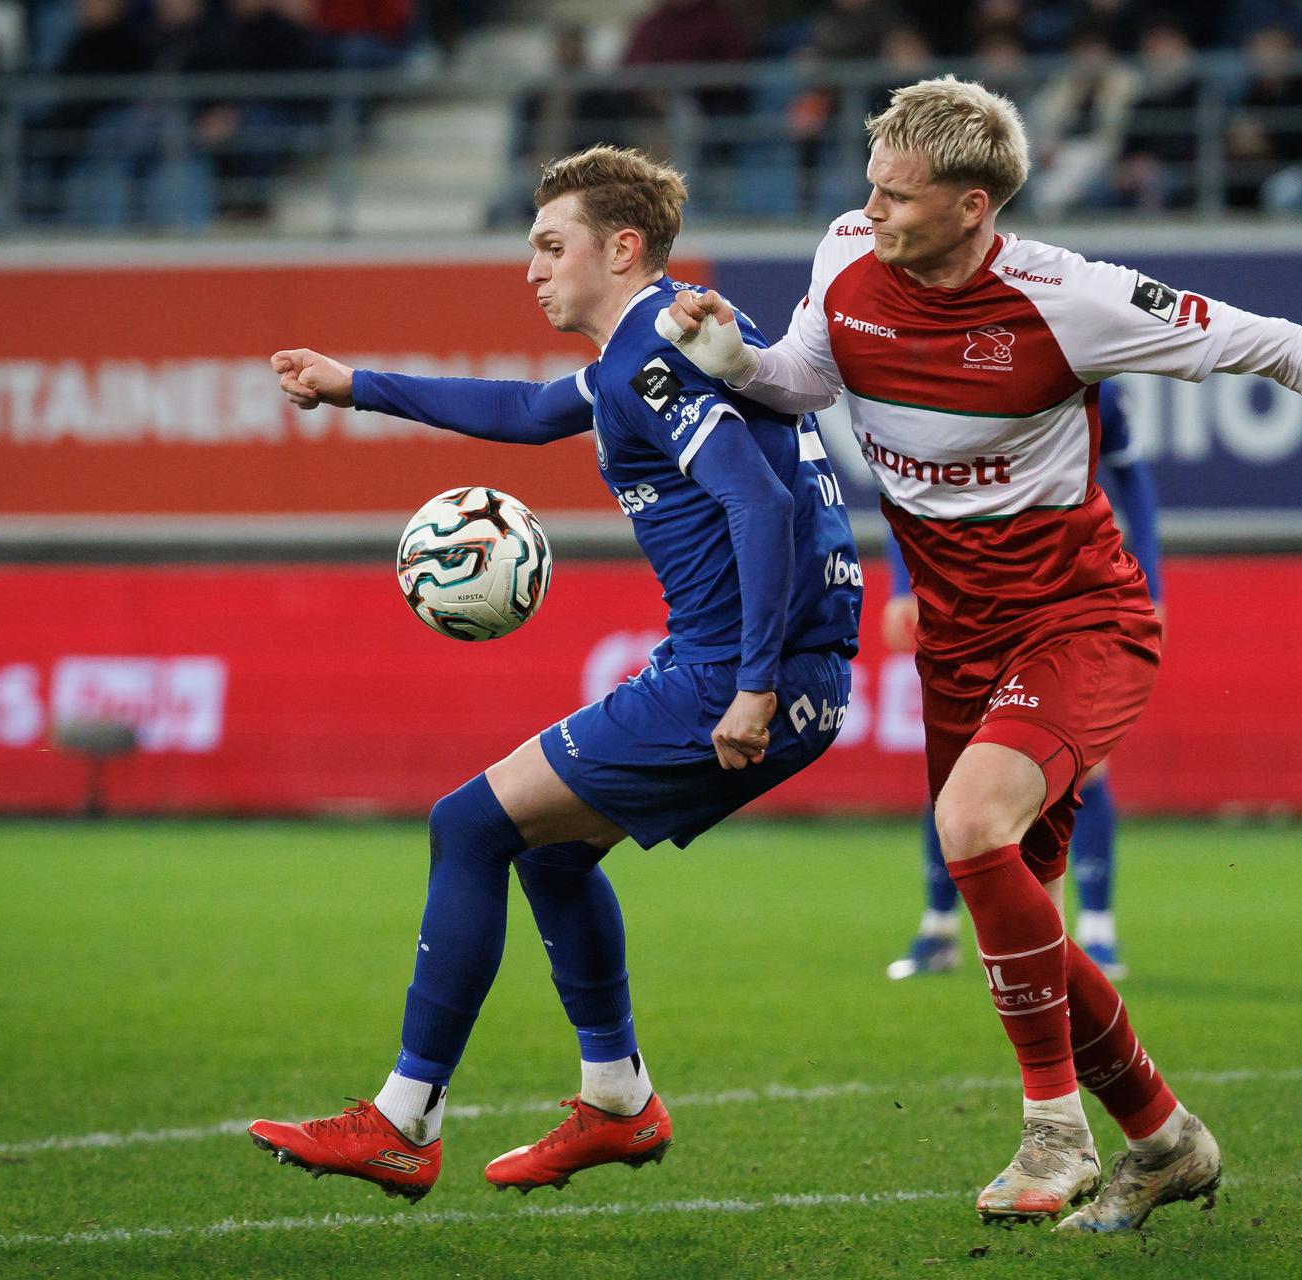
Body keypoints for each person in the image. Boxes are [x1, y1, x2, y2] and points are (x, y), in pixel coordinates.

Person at [657, 75, 1302, 1233]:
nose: (872, 209)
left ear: (975, 206)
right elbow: (806, 379)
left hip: (1082, 620)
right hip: (959, 643)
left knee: (969, 831)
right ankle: (1165, 1137)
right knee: (1020, 917)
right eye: (869, 185)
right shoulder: (843, 255)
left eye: (899, 194)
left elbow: (1274, 343)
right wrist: (729, 355)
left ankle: (1054, 1130)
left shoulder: (1071, 298)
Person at [246, 145, 863, 1204]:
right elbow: (533, 415)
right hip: (764, 664)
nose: (532, 268)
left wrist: (753, 685)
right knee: (551, 853)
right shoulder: (674, 336)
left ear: (621, 248)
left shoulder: (653, 355)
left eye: (550, 245)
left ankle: (402, 1119)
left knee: (468, 824)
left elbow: (758, 505)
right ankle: (617, 1098)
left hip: (733, 673)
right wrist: (358, 386)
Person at [885, 378, 1159, 983]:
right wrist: (901, 587)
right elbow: (906, 486)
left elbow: (1133, 477)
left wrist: (1156, 591)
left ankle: (1096, 931)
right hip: (964, 607)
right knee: (959, 770)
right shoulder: (932, 377)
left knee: (1085, 766)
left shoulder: (1085, 375)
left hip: (1059, 603)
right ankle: (938, 928)